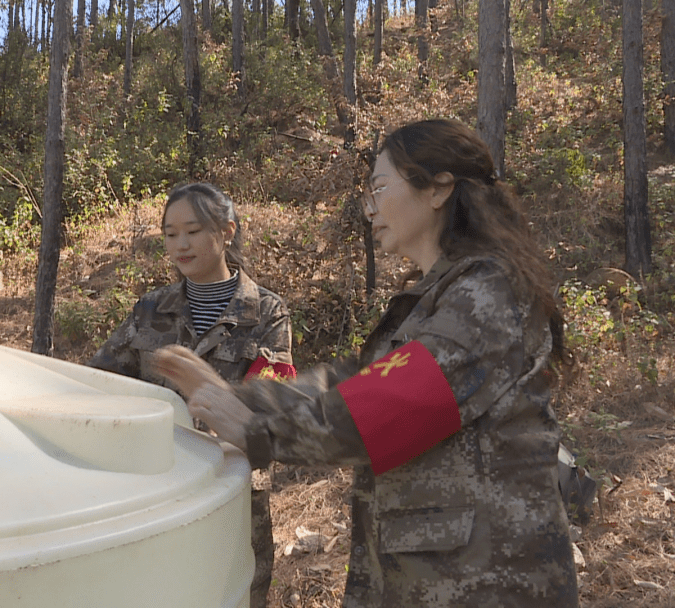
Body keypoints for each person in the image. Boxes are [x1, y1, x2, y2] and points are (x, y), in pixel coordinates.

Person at [154, 119, 579, 608]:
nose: (370, 210)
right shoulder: (438, 295)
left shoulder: (487, 290)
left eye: (380, 188)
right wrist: (240, 399)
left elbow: (392, 403)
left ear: (438, 189)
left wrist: (257, 430)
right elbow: (356, 381)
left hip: (489, 582)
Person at [88, 182, 295, 608]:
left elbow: (270, 408)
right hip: (157, 489)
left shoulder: (267, 313)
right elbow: (101, 383)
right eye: (169, 234)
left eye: (193, 231)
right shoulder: (150, 309)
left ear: (227, 232)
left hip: (234, 491)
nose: (180, 244)